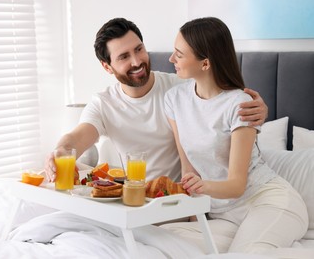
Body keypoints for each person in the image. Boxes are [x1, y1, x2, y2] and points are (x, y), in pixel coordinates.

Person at [45, 17, 268, 183]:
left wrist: (260, 110)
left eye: (139, 49)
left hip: (176, 201)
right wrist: (61, 151)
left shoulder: (180, 88)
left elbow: (223, 102)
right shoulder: (104, 103)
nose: (136, 61)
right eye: (123, 57)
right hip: (133, 201)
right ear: (107, 67)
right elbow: (77, 137)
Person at [162, 17, 308, 254]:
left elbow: (237, 185)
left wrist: (201, 186)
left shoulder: (239, 104)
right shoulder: (174, 99)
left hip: (269, 202)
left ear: (205, 63)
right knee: (166, 242)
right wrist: (194, 217)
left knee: (245, 254)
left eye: (179, 54)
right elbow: (188, 170)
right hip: (223, 215)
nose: (171, 59)